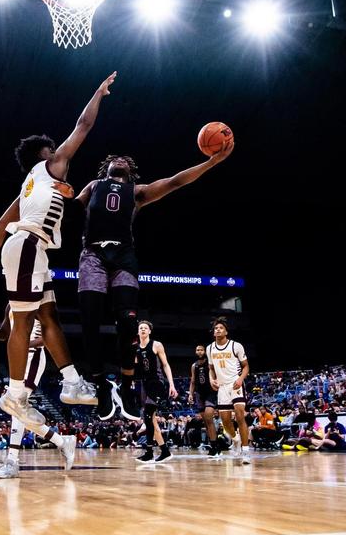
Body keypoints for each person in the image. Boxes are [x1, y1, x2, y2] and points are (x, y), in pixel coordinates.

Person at [0, 72, 117, 430]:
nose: (61, 154)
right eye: (54, 150)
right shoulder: (50, 166)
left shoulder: (30, 185)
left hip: (28, 251)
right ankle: (15, 394)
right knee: (22, 321)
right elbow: (82, 126)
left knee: (49, 316)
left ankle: (71, 380)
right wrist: (98, 92)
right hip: (25, 248)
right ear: (45, 154)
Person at [74, 143, 234, 419]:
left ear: (131, 170)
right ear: (107, 165)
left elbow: (175, 181)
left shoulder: (137, 192)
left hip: (123, 255)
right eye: (116, 156)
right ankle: (101, 384)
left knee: (127, 320)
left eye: (126, 156)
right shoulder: (93, 186)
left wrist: (212, 162)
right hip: (92, 254)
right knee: (89, 320)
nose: (121, 157)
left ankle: (126, 386)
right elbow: (69, 207)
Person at [0, 310, 76, 478]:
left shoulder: (39, 302)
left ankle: (12, 461)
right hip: (18, 359)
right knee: (15, 408)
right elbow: (3, 334)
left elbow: (49, 337)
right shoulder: (11, 304)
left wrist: (23, 345)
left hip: (34, 358)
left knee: (17, 406)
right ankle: (61, 441)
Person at [131, 321, 178, 463]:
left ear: (150, 331)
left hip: (157, 383)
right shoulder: (136, 348)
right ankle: (165, 451)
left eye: (145, 328)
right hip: (144, 385)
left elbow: (165, 365)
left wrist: (172, 384)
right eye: (141, 328)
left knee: (147, 416)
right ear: (138, 332)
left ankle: (149, 452)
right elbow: (134, 367)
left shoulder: (156, 345)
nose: (143, 329)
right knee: (151, 421)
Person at [207, 317, 251, 464]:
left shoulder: (236, 346)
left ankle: (245, 451)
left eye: (220, 328)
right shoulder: (210, 348)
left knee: (239, 415)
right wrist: (211, 379)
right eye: (215, 328)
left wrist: (240, 379)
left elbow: (246, 366)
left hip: (235, 384)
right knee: (225, 421)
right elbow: (211, 369)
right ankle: (236, 439)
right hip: (222, 387)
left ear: (226, 331)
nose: (218, 330)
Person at [188, 344, 218, 454]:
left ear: (205, 351)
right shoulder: (194, 366)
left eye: (201, 349)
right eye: (197, 350)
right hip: (199, 394)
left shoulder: (210, 363)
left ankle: (215, 446)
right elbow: (193, 381)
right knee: (205, 422)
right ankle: (213, 444)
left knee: (209, 418)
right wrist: (190, 394)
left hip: (210, 392)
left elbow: (215, 376)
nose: (199, 351)